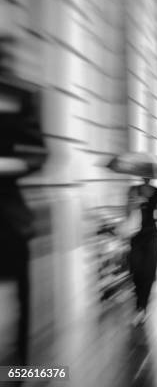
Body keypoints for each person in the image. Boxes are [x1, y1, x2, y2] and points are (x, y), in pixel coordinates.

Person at [0, 72, 46, 366]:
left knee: (19, 300)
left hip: (7, 216)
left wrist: (6, 165)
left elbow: (37, 153)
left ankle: (18, 369)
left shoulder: (17, 94)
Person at [126, 177, 157, 325]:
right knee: (136, 270)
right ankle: (139, 301)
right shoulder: (133, 190)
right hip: (136, 236)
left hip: (152, 237)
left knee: (149, 272)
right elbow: (127, 212)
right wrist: (135, 204)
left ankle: (142, 307)